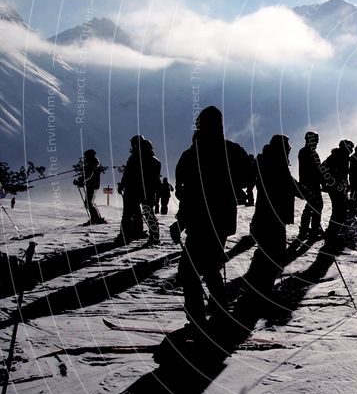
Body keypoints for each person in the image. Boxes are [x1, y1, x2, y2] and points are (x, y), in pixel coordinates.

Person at [171, 106, 253, 329]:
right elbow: (249, 177)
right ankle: (217, 311)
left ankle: (200, 315)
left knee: (191, 270)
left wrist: (180, 221)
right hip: (221, 220)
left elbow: (186, 193)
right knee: (209, 267)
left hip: (200, 220)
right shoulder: (231, 150)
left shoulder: (192, 154)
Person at [247, 135, 304, 293]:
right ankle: (260, 291)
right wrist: (306, 193)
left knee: (267, 252)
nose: (288, 152)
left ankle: (256, 288)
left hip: (267, 215)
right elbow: (289, 183)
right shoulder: (275, 163)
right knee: (273, 253)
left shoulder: (266, 160)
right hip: (272, 216)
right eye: (287, 149)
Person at [118, 136, 159, 243]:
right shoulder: (154, 161)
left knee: (128, 214)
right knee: (147, 213)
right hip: (147, 191)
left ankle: (126, 235)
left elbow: (127, 174)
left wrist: (122, 185)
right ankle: (152, 235)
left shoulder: (134, 158)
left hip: (134, 190)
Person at [320, 140, 353, 242]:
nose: (351, 150)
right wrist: (331, 181)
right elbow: (323, 168)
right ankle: (332, 233)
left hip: (340, 188)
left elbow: (343, 174)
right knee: (339, 209)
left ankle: (335, 232)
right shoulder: (337, 156)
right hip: (335, 188)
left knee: (341, 209)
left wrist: (346, 185)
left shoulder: (343, 157)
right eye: (350, 148)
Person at [298, 131, 324, 240]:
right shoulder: (307, 152)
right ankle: (312, 229)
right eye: (315, 140)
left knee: (313, 205)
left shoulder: (309, 151)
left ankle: (310, 228)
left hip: (311, 182)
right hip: (310, 183)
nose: (316, 142)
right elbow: (313, 169)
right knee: (315, 204)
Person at [74, 149, 107, 225]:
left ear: (90, 155)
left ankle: (96, 219)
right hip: (92, 184)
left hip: (92, 185)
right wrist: (81, 180)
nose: (85, 157)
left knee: (89, 203)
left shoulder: (92, 163)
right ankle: (96, 218)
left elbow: (89, 174)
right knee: (89, 202)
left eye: (86, 156)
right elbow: (87, 174)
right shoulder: (92, 163)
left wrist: (81, 181)